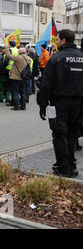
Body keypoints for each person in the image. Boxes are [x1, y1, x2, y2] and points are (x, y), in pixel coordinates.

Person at [37, 30, 83, 178]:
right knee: (72, 134)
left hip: (58, 103)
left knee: (59, 134)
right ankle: (72, 165)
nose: (55, 42)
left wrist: (42, 105)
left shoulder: (56, 58)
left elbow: (46, 85)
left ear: (63, 40)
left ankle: (63, 167)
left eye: (57, 39)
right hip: (77, 103)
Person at [5, 46, 32, 111]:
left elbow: (8, 55)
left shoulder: (18, 58)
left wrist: (6, 48)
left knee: (15, 92)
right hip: (24, 78)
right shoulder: (29, 59)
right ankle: (23, 106)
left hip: (16, 78)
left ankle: (16, 106)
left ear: (19, 52)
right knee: (23, 93)